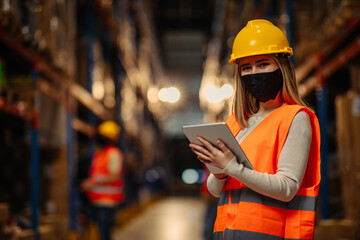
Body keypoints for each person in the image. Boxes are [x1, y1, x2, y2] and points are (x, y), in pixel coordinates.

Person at [189, 19, 321, 240]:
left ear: (282, 67)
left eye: (262, 64)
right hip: (228, 234)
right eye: (246, 68)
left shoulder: (295, 118)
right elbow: (215, 190)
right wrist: (219, 169)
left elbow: (287, 188)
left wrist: (232, 167)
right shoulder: (236, 123)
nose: (254, 73)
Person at [81, 120, 124, 240]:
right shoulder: (100, 153)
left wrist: (91, 183)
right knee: (100, 234)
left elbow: (114, 176)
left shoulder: (113, 153)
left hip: (107, 202)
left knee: (105, 235)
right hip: (96, 200)